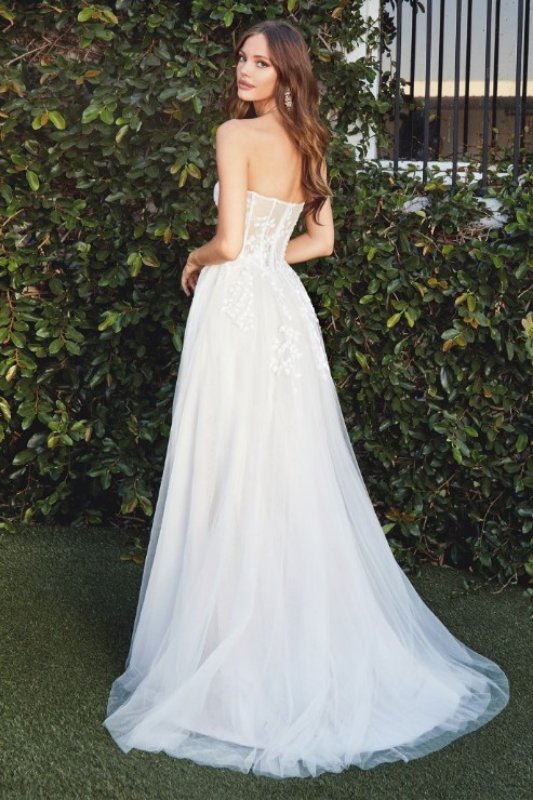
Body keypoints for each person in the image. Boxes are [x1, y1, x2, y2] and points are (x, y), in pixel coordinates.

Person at [102, 20, 509, 780]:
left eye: (261, 62)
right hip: (282, 308)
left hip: (235, 309)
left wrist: (197, 259)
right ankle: (277, 638)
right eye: (242, 58)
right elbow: (318, 242)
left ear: (286, 73)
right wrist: (264, 261)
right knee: (286, 466)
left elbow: (228, 242)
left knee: (231, 458)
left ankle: (228, 651)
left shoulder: (233, 134)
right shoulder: (310, 142)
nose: (245, 70)